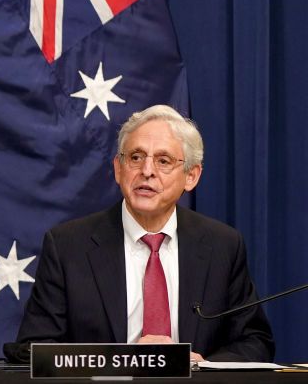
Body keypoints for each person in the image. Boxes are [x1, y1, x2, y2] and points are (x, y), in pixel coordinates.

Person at [14, 105, 274, 362]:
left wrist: (201, 365)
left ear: (191, 176)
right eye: (136, 157)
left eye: (163, 161)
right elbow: (33, 348)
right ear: (119, 168)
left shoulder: (222, 246)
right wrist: (122, 360)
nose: (147, 171)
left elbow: (255, 342)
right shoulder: (68, 246)